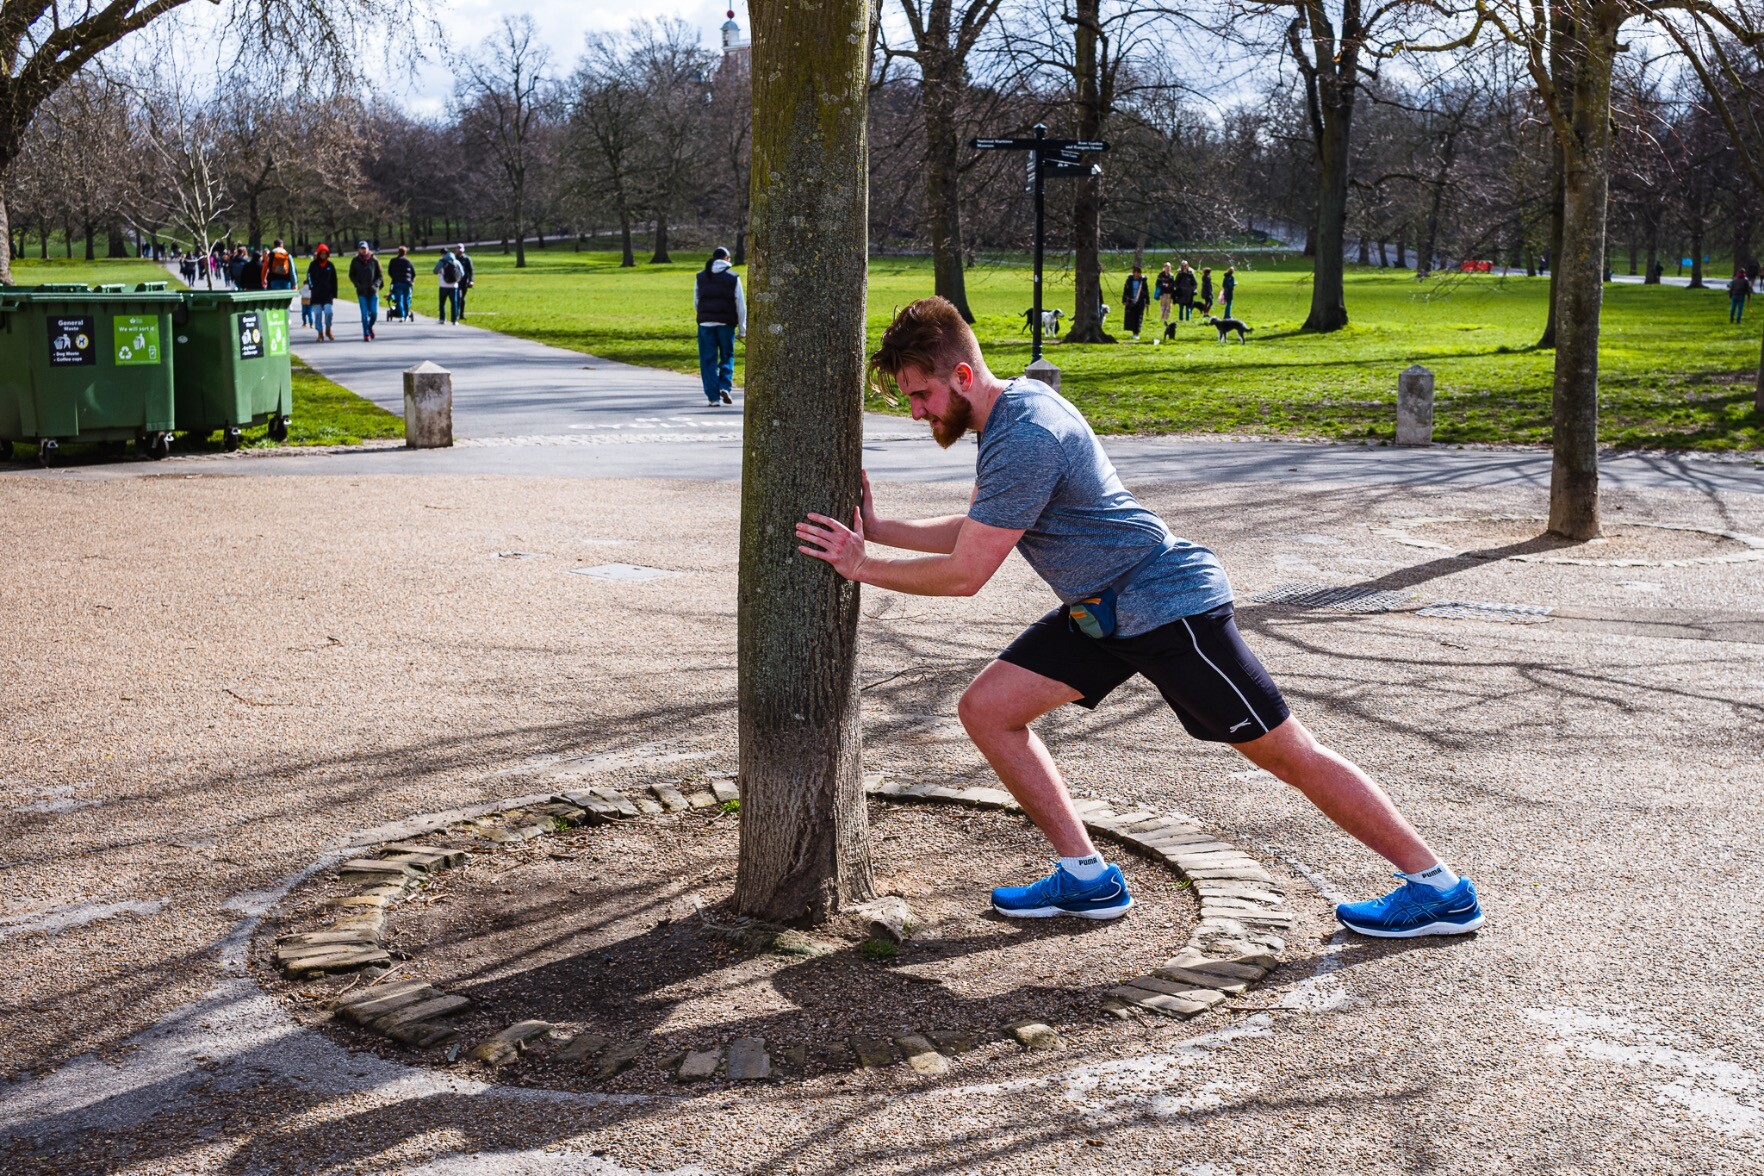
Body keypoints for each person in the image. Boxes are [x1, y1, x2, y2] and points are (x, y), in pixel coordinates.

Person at [794, 297, 1484, 938]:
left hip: (1167, 606)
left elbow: (967, 573)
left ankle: (1438, 888)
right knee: (989, 708)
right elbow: (983, 526)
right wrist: (881, 530)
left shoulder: (1024, 434)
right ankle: (1085, 879)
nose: (917, 411)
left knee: (1285, 752)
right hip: (1105, 612)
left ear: (964, 376)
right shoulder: (1011, 415)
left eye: (920, 394)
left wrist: (861, 565)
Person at [693, 246, 745, 406]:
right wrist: (742, 329)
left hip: (705, 324)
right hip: (726, 324)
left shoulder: (701, 276)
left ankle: (713, 397)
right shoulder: (733, 277)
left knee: (707, 360)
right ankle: (724, 386)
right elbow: (740, 304)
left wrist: (704, 315)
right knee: (727, 356)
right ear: (727, 259)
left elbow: (696, 302)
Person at [349, 241, 383, 341]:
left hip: (373, 291)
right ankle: (366, 333)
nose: (363, 250)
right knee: (364, 314)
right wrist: (357, 285)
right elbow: (351, 275)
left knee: (374, 313)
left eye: (365, 248)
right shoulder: (355, 261)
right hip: (362, 292)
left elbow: (380, 276)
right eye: (361, 248)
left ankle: (370, 326)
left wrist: (375, 285)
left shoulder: (374, 260)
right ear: (359, 250)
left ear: (368, 249)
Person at [307, 243, 338, 342]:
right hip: (316, 295)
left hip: (327, 295)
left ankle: (328, 329)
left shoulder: (330, 265)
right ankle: (320, 333)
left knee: (329, 312)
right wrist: (312, 287)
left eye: (325, 254)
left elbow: (334, 280)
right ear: (319, 254)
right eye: (321, 254)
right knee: (317, 314)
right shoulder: (313, 265)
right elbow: (309, 277)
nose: (323, 255)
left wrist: (334, 293)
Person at [433, 248, 464, 324]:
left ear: (442, 254)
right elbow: (462, 273)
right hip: (454, 285)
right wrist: (457, 279)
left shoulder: (441, 261)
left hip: (443, 285)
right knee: (454, 303)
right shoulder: (456, 261)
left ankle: (442, 319)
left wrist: (440, 272)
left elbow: (435, 271)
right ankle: (454, 320)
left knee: (442, 303)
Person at [1121, 266, 1150, 340]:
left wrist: (1147, 302)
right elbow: (1125, 291)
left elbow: (1146, 292)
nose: (1136, 274)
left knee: (1138, 318)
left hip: (1140, 302)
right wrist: (1124, 300)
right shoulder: (1129, 281)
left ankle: (1136, 333)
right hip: (1131, 301)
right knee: (1131, 318)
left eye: (1138, 273)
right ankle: (1133, 333)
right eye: (1135, 273)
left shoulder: (1143, 281)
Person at [388, 247, 415, 323]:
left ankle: (402, 315)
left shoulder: (393, 261)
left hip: (397, 282)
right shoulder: (408, 261)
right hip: (407, 283)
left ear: (398, 252)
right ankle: (406, 315)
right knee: (406, 299)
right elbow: (413, 273)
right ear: (405, 253)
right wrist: (411, 280)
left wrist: (394, 277)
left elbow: (389, 272)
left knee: (399, 299)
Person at [1154, 262, 1177, 342]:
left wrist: (1170, 286)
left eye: (1169, 267)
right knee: (1163, 307)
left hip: (1169, 293)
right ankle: (1162, 319)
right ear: (1164, 268)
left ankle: (1166, 318)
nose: (1168, 268)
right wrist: (1164, 284)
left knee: (1168, 307)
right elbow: (1158, 283)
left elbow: (1173, 284)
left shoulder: (1171, 275)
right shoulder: (1161, 275)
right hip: (1163, 293)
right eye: (1166, 267)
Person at [454, 244, 475, 320]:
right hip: (456, 281)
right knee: (458, 297)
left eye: (461, 250)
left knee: (462, 298)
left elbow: (471, 271)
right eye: (459, 250)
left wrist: (471, 280)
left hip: (464, 281)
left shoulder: (467, 259)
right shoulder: (454, 258)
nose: (460, 252)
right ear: (456, 250)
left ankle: (461, 315)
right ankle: (456, 314)